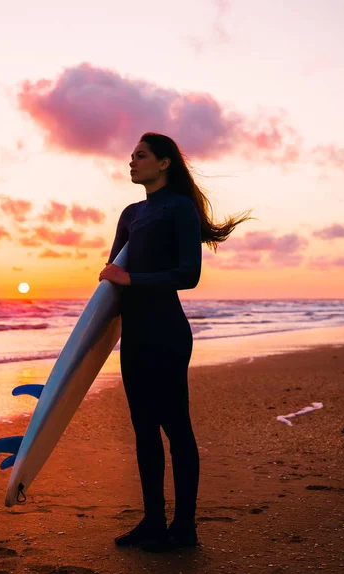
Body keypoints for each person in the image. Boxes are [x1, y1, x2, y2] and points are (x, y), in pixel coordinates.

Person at [99, 132, 251, 552]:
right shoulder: (130, 213)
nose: (132, 161)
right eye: (131, 155)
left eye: (141, 155)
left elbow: (188, 275)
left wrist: (131, 280)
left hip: (166, 331)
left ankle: (184, 528)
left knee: (176, 428)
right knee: (144, 430)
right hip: (135, 335)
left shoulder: (180, 209)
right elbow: (113, 274)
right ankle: (152, 521)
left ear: (164, 163)